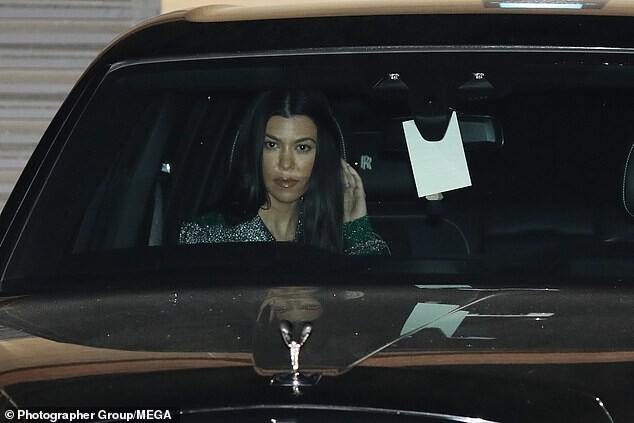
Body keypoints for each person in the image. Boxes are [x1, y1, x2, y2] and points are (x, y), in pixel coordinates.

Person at [179, 90, 389, 255]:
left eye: (302, 147)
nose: (286, 164)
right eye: (272, 145)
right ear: (255, 150)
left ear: (321, 157)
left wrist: (358, 230)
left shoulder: (338, 239)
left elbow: (375, 296)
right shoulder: (208, 235)